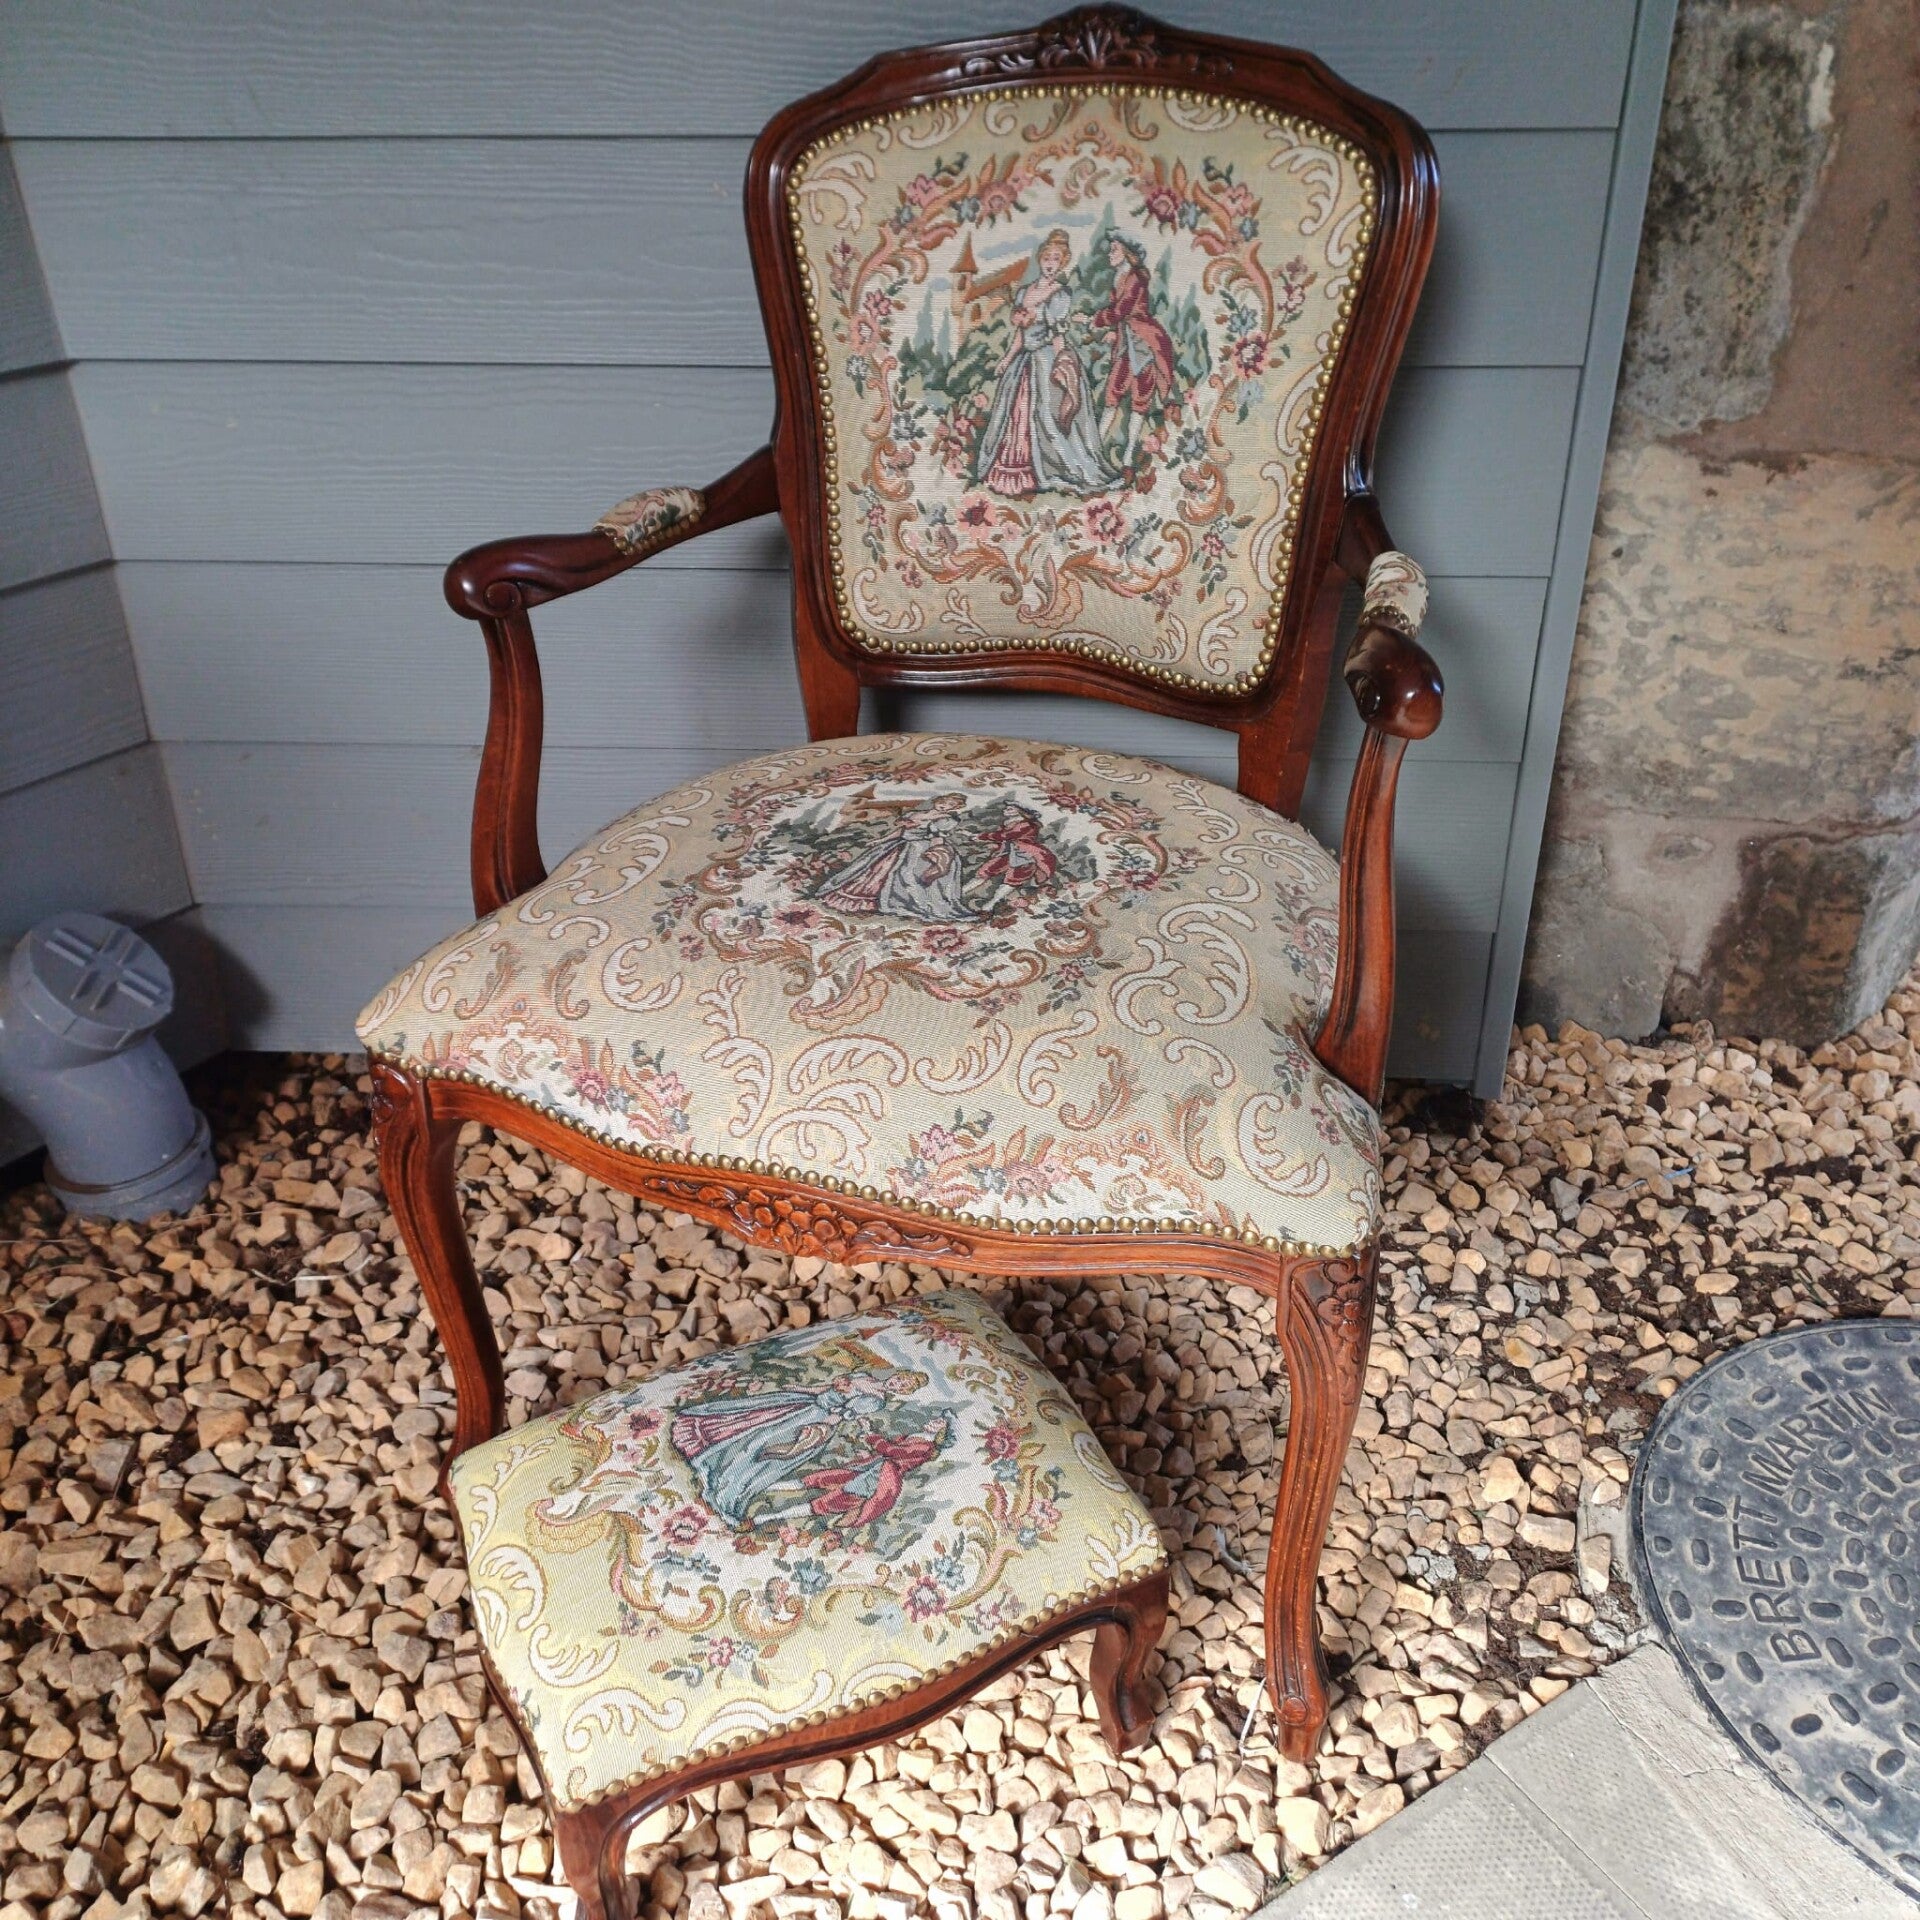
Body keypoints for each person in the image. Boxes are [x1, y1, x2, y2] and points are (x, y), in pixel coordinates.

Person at [971, 230, 1120, 497]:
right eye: (1047, 258)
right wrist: (1006, 360)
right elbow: (1020, 335)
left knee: (1047, 416)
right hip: (1023, 362)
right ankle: (1013, 470)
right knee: (1014, 414)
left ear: (1063, 263)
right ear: (1041, 260)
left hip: (1046, 358)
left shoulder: (1060, 295)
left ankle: (1052, 470)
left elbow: (1058, 334)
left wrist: (1062, 362)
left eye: (1057, 259)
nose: (1051, 263)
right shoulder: (1024, 292)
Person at [814, 792, 980, 921]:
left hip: (924, 848)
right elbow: (901, 831)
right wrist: (881, 839)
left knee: (910, 875)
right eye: (943, 802)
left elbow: (938, 837)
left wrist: (936, 854)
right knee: (876, 870)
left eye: (951, 805)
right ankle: (870, 902)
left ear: (956, 807)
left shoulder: (947, 819)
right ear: (937, 800)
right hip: (902, 845)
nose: (944, 806)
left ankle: (918, 904)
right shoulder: (915, 813)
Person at [1094, 234, 1179, 472]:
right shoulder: (1119, 277)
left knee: (1139, 399)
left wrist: (1094, 319)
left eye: (1114, 250)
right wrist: (1113, 331)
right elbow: (1121, 316)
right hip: (1127, 343)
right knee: (1113, 394)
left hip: (1143, 343)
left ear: (1127, 253)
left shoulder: (1135, 278)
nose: (1109, 254)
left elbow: (1121, 310)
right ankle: (1096, 452)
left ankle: (1129, 457)